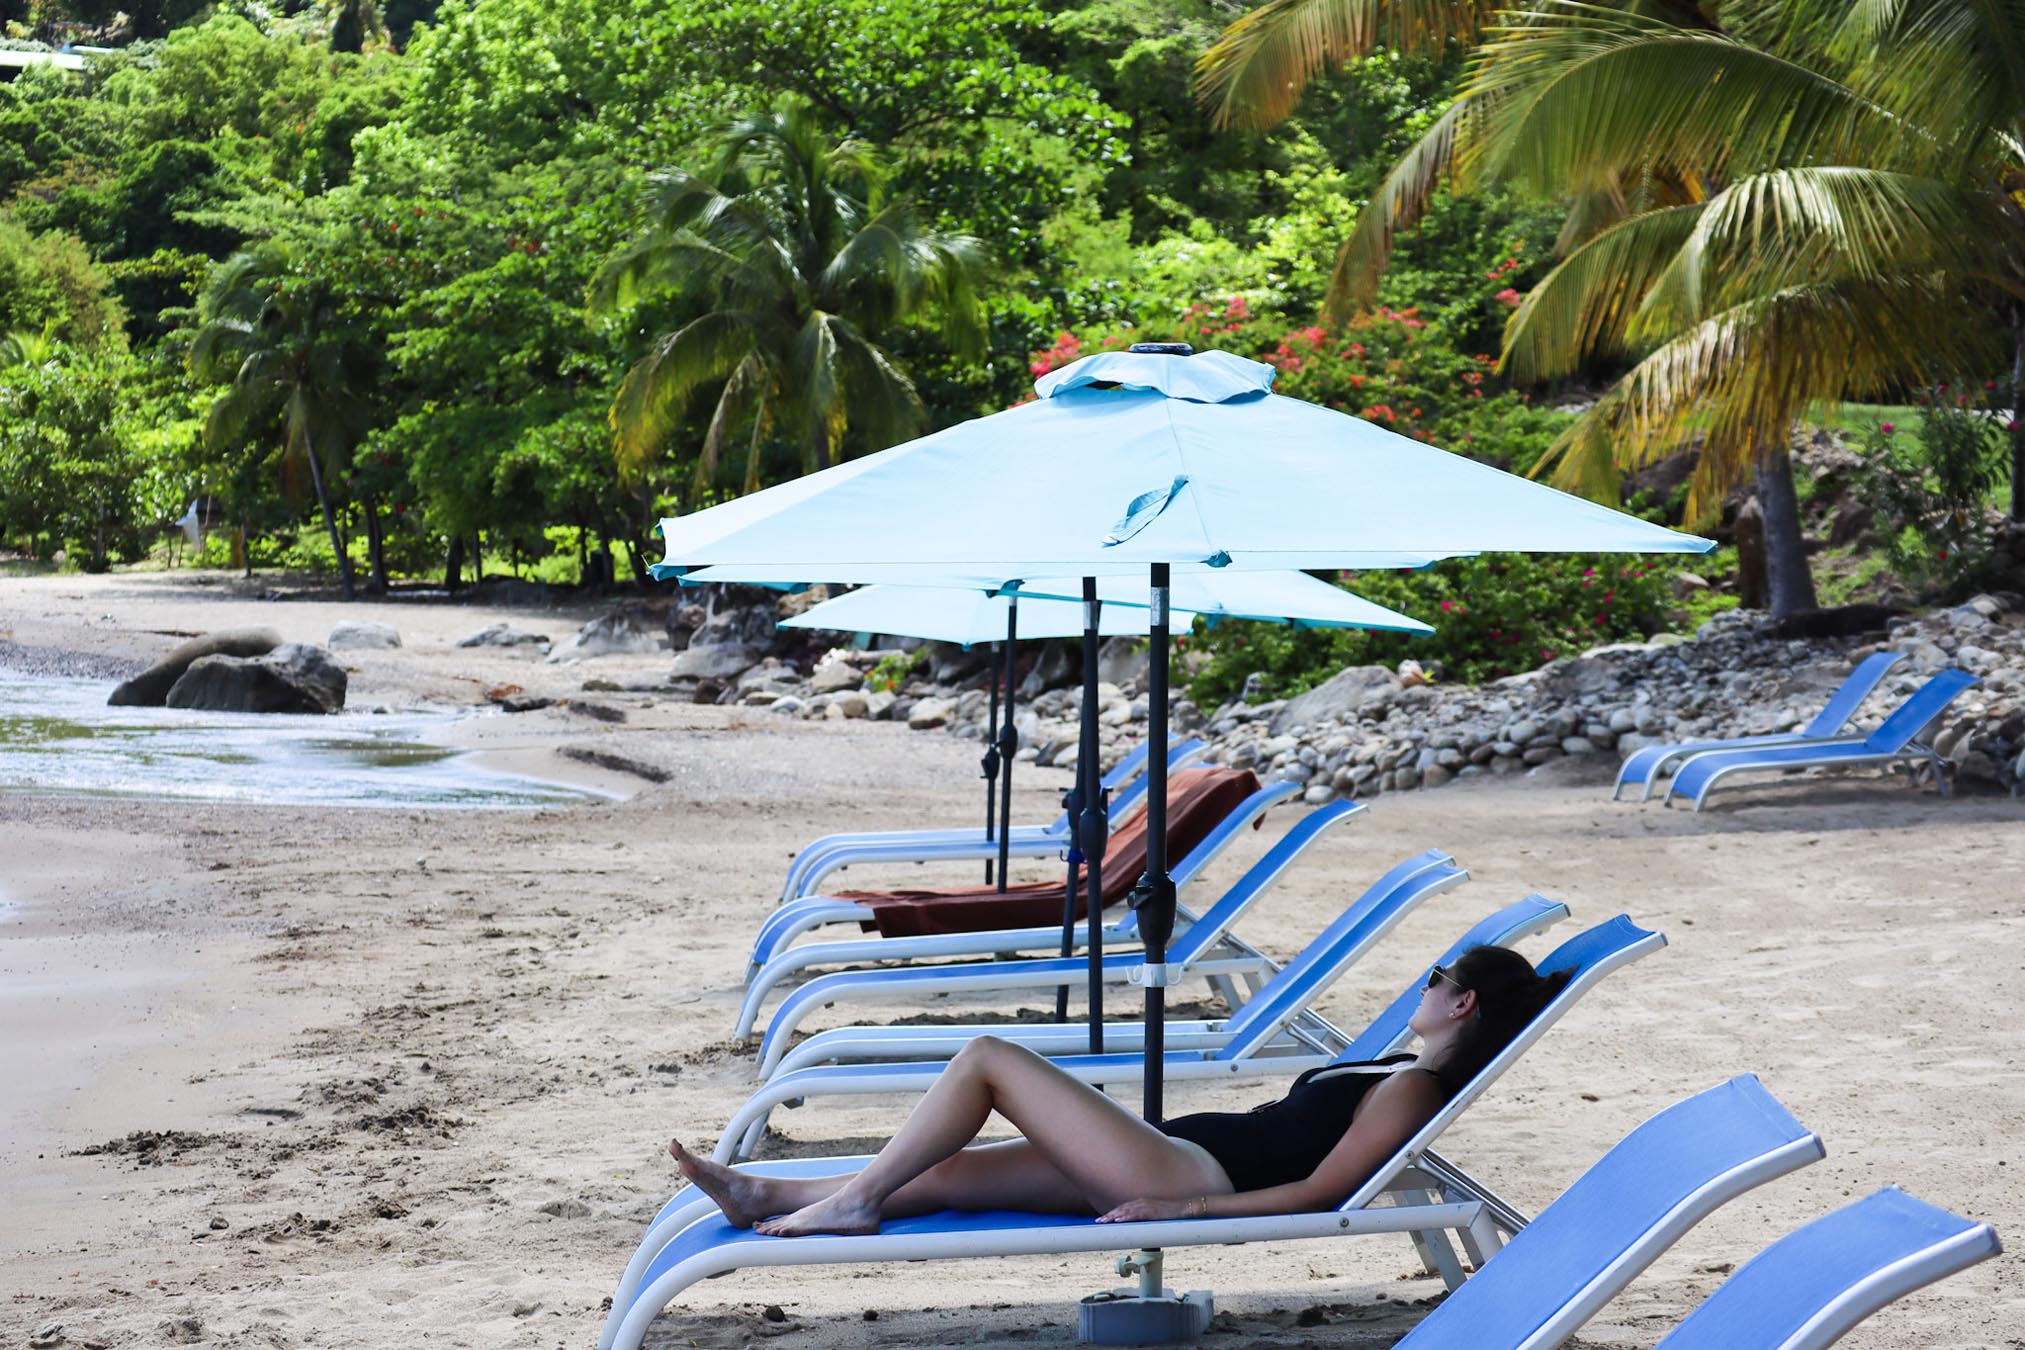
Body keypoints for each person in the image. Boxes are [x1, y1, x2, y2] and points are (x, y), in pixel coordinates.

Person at [671, 945, 1568, 1237]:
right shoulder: (1398, 1072)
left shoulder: (1409, 1095)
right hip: (1177, 1158)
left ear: (1464, 1002)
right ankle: (766, 1194)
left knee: (988, 1057)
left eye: (1435, 977)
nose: (1421, 986)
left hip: (1188, 1179)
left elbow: (1323, 1193)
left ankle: (857, 1199)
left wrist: (1177, 1213)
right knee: (950, 1171)